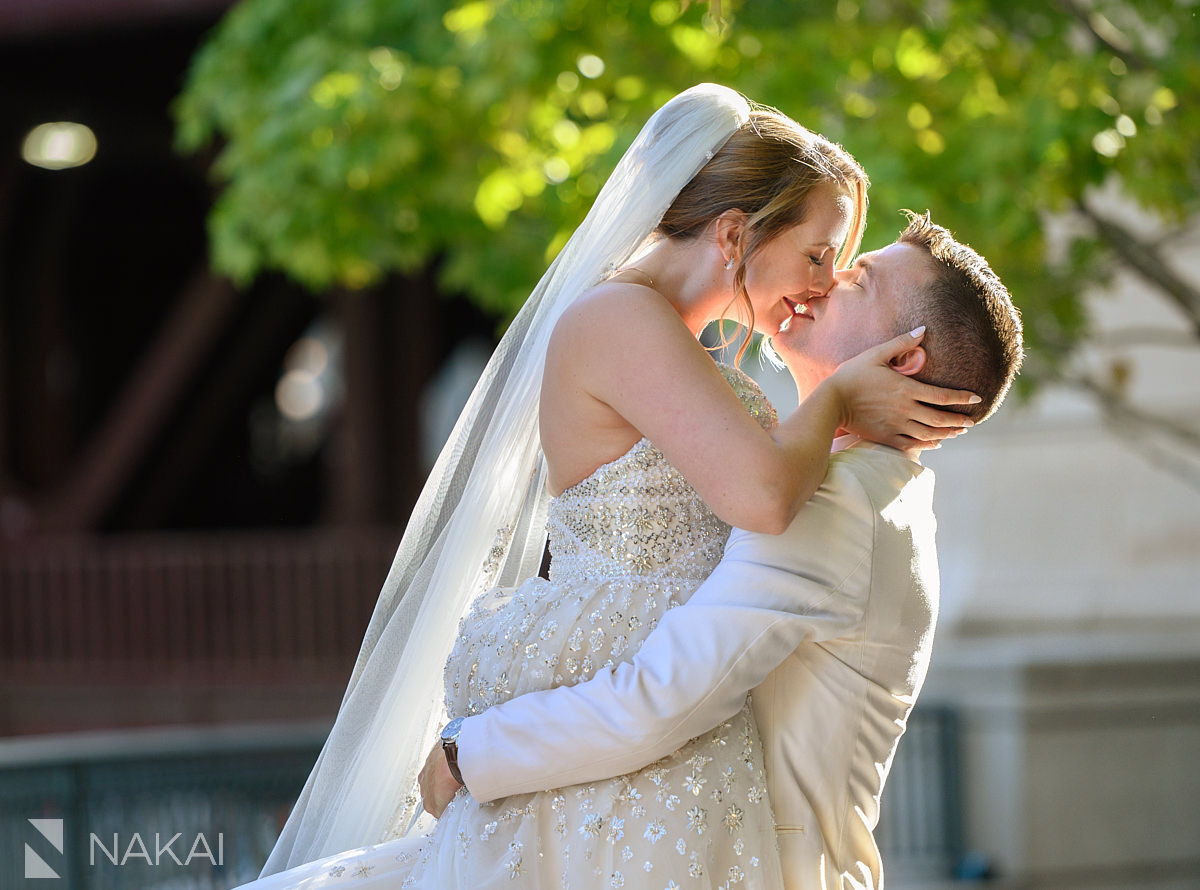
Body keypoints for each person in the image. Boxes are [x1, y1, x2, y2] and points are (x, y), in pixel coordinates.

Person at [239, 85, 976, 889]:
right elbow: (762, 499)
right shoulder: (620, 319)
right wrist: (834, 396)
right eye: (819, 253)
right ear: (734, 234)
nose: (822, 282)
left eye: (840, 267)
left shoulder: (710, 367)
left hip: (669, 730)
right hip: (619, 695)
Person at [417, 212, 1024, 889]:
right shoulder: (870, 490)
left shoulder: (836, 502)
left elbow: (667, 696)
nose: (825, 280)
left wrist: (467, 754)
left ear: (901, 359)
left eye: (858, 280)